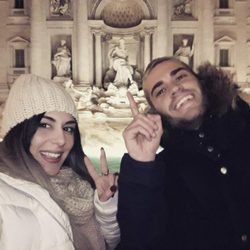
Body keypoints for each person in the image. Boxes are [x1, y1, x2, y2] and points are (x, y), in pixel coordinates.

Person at [117, 56, 250, 249]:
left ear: (201, 82)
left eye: (179, 77)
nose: (175, 89)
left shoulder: (245, 126)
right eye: (161, 90)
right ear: (156, 112)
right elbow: (139, 243)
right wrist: (141, 164)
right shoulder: (160, 172)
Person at [0, 74, 120, 250]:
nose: (61, 140)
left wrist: (105, 207)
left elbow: (109, 242)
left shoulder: (76, 184)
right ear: (19, 129)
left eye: (68, 128)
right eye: (45, 125)